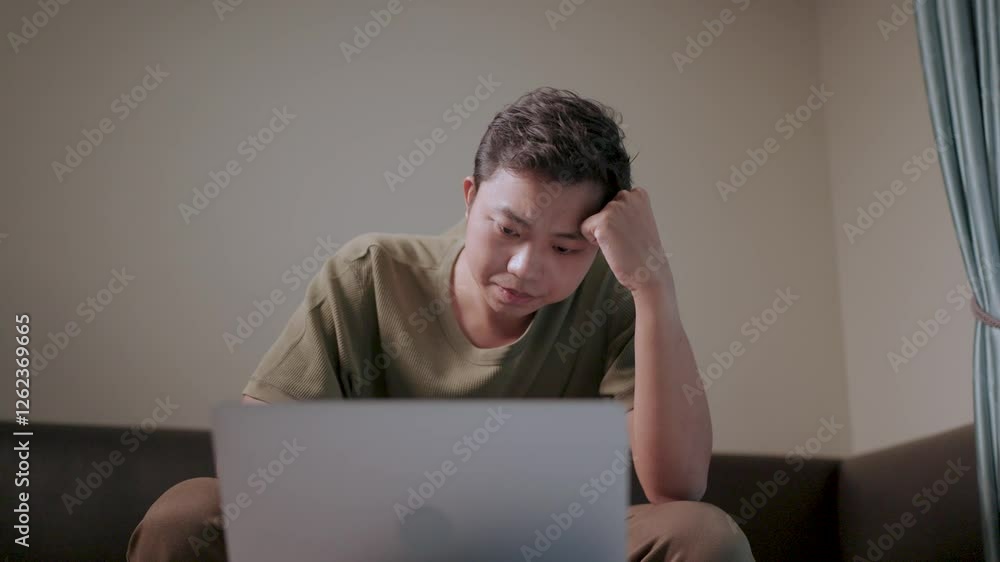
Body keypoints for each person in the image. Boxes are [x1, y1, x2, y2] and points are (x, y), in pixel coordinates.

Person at [127, 87, 755, 561]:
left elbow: (678, 487)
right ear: (470, 197)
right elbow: (258, 465)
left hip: (545, 546)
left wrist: (653, 285)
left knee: (701, 535)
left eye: (565, 247)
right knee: (189, 512)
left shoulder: (614, 297)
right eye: (507, 230)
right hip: (365, 543)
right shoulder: (371, 273)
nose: (526, 268)